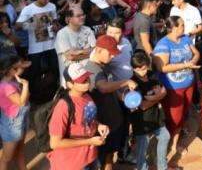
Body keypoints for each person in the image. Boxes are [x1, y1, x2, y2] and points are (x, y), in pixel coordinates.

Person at [84, 34, 134, 170]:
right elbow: (103, 87)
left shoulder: (104, 65)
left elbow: (111, 88)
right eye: (110, 54)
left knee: (109, 155)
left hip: (113, 121)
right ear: (99, 50)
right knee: (98, 160)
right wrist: (125, 81)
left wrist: (124, 99)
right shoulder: (92, 69)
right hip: (101, 124)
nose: (113, 57)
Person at [47, 62, 110, 170]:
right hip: (72, 163)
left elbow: (87, 119)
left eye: (87, 78)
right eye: (82, 80)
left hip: (90, 157)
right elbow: (55, 143)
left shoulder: (86, 96)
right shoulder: (63, 106)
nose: (87, 82)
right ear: (69, 84)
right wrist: (89, 141)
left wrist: (99, 125)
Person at [153, 16, 200, 153]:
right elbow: (162, 68)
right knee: (174, 117)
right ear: (173, 28)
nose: (184, 28)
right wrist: (185, 65)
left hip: (188, 83)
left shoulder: (185, 38)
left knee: (184, 111)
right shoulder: (163, 44)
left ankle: (176, 135)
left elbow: (195, 53)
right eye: (182, 25)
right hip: (173, 87)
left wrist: (194, 60)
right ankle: (174, 144)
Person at [14, 0, 59, 101]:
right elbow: (17, 26)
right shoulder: (28, 9)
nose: (47, 1)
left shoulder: (52, 6)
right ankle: (34, 96)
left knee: (54, 69)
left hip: (51, 45)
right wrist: (31, 22)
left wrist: (55, 26)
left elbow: (55, 22)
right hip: (35, 48)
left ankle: (54, 93)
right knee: (35, 72)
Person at [129, 50, 170, 170]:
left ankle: (162, 166)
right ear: (133, 68)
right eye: (138, 69)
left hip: (157, 116)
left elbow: (164, 91)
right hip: (142, 121)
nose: (143, 72)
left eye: (144, 68)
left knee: (165, 136)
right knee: (143, 147)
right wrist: (158, 97)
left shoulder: (152, 75)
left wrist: (152, 98)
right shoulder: (133, 83)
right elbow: (142, 106)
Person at [0, 55, 30, 170]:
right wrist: (26, 85)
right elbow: (22, 102)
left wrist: (24, 88)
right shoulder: (6, 87)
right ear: (12, 70)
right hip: (12, 125)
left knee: (20, 152)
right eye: (20, 67)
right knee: (6, 158)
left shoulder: (13, 81)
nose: (23, 68)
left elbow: (26, 98)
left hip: (20, 120)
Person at [54, 2, 95, 85]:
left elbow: (96, 50)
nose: (82, 17)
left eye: (83, 15)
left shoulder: (87, 30)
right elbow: (70, 57)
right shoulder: (62, 34)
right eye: (78, 16)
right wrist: (89, 52)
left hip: (88, 76)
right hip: (71, 79)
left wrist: (79, 52)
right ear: (69, 18)